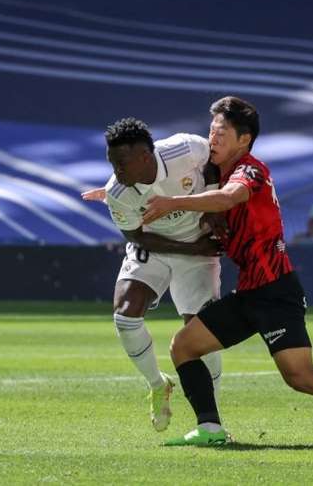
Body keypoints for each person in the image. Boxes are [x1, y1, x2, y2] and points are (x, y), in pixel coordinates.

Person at [143, 96, 313, 446]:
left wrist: (172, 204)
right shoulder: (218, 175)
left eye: (221, 132)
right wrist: (122, 193)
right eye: (211, 131)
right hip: (250, 292)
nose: (212, 139)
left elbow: (230, 198)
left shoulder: (251, 170)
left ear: (244, 139)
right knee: (183, 346)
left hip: (276, 291)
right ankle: (210, 429)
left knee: (301, 377)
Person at [80, 118, 224, 433]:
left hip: (198, 247)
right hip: (157, 246)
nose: (115, 170)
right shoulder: (117, 192)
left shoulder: (184, 148)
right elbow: (137, 237)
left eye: (121, 162)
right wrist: (192, 249)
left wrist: (213, 210)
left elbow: (213, 163)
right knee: (125, 315)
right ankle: (157, 384)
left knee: (203, 332)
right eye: (111, 161)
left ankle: (210, 414)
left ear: (146, 157)